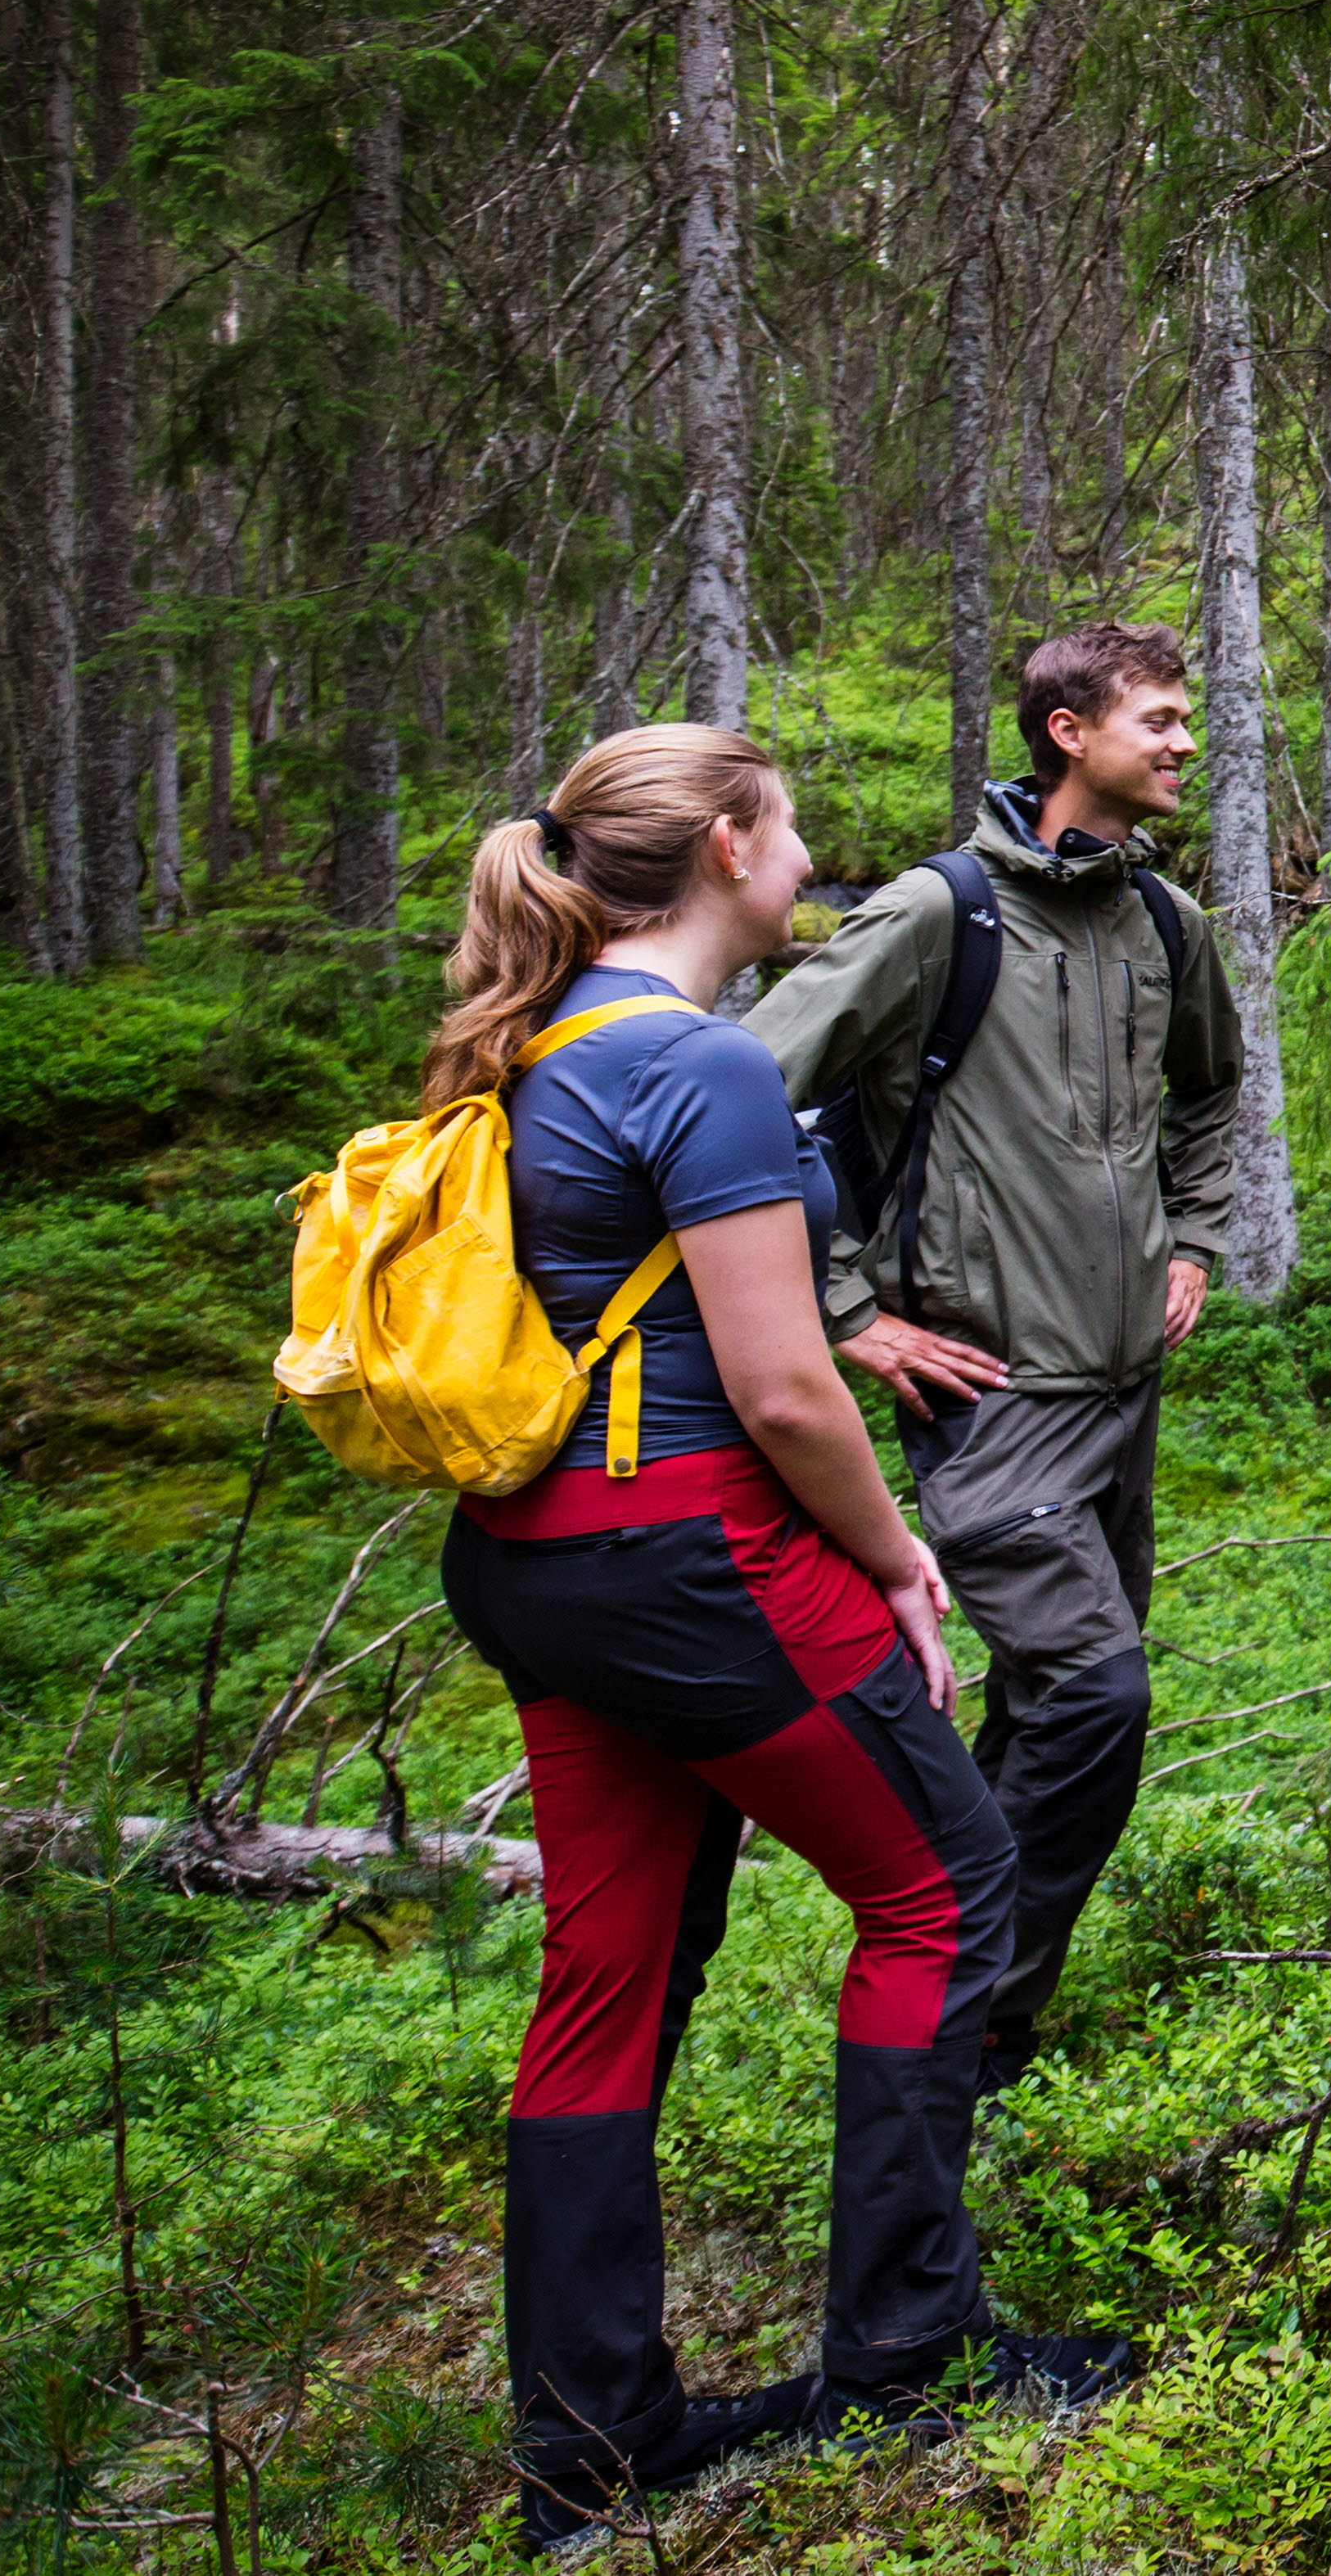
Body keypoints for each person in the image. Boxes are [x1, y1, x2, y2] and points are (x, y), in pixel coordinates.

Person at [426, 726, 1127, 2553]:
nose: (809, 848)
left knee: (611, 1970)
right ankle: (908, 2350)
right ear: (732, 846)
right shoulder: (704, 1069)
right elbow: (788, 1388)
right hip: (695, 1562)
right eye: (790, 821)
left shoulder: (530, 1046)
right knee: (950, 1893)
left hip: (532, 1565)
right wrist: (901, 1563)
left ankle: (588, 2445)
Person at [748, 625, 1243, 2087]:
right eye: (1158, 719)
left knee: (1048, 1703)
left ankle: (959, 2017)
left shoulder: (1167, 926)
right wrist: (845, 1308)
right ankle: (965, 2007)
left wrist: (1195, 1241)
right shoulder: (935, 914)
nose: (1184, 744)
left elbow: (1209, 1098)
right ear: (1066, 731)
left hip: (1121, 1394)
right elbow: (744, 1087)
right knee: (1097, 1695)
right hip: (990, 1397)